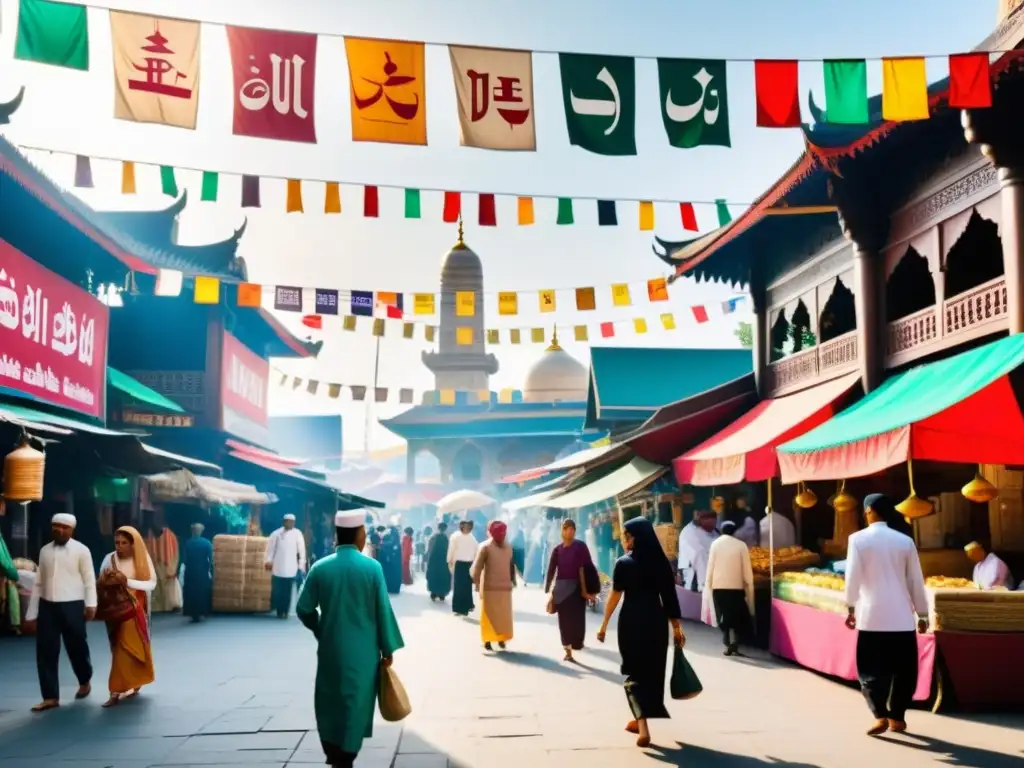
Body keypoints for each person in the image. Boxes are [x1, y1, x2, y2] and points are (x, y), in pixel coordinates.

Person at [297, 509, 405, 768]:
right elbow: (382, 610)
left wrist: (320, 629)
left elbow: (304, 608)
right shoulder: (372, 568)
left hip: (331, 649)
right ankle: (347, 754)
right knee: (356, 701)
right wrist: (388, 646)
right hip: (364, 652)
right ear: (359, 534)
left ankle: (332, 751)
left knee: (328, 698)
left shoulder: (320, 568)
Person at [844, 493, 929, 737]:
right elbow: (916, 581)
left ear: (869, 510)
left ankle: (879, 714)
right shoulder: (904, 541)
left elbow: (853, 578)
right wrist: (922, 614)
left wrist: (850, 607)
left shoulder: (857, 540)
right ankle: (897, 717)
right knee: (903, 672)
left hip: (871, 617)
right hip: (902, 618)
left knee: (871, 670)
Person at [597, 517, 683, 749]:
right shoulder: (661, 563)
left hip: (632, 622)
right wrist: (676, 627)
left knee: (633, 672)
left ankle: (643, 726)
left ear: (636, 538)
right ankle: (639, 719)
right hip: (656, 621)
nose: (624, 540)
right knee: (651, 671)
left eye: (627, 536)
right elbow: (669, 598)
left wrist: (604, 624)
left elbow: (615, 596)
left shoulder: (624, 563)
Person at [24, 513, 97, 713]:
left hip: (73, 604)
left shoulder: (82, 550)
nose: (59, 530)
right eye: (56, 527)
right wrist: (31, 614)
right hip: (48, 606)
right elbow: (38, 583)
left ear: (72, 530)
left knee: (77, 647)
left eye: (64, 527)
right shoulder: (44, 551)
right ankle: (50, 697)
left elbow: (89, 579)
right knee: (45, 650)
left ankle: (84, 679)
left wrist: (91, 604)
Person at [97, 526, 157, 707]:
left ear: (133, 544)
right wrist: (109, 580)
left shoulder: (143, 558)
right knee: (117, 649)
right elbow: (100, 582)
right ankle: (128, 682)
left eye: (124, 543)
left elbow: (151, 584)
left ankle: (115, 690)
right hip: (115, 610)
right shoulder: (109, 559)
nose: (120, 546)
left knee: (127, 647)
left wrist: (127, 581)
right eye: (117, 542)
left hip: (134, 610)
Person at [545, 519, 597, 661]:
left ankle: (577, 642)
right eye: (567, 529)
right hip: (561, 589)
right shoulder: (557, 549)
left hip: (577, 588)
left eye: (572, 529)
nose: (570, 531)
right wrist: (548, 586)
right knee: (564, 621)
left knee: (578, 619)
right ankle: (567, 650)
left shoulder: (580, 546)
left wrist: (591, 588)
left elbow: (588, 567)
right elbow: (551, 568)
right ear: (562, 530)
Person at [704, 520, 755, 657]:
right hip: (736, 587)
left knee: (723, 614)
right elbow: (746, 568)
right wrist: (749, 583)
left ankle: (727, 640)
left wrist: (708, 583)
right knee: (736, 616)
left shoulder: (715, 544)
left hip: (718, 586)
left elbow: (710, 565)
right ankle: (734, 643)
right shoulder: (741, 545)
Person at [472, 520, 517, 651]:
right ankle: (501, 639)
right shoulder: (508, 546)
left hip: (490, 587)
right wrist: (513, 580)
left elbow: (477, 567)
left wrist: (475, 581)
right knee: (503, 616)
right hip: (504, 586)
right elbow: (511, 565)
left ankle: (488, 640)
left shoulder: (485, 547)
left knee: (489, 616)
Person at [264, 513, 307, 618]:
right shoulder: (276, 534)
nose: (290, 524)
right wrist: (268, 561)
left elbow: (302, 551)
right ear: (284, 522)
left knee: (287, 592)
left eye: (292, 522)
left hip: (291, 568)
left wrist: (301, 565)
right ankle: (279, 610)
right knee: (277, 591)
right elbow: (270, 549)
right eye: (287, 521)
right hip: (277, 568)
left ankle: (285, 612)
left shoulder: (297, 534)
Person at [677, 509, 718, 592]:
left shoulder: (715, 531)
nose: (714, 525)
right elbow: (699, 555)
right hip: (695, 576)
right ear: (703, 520)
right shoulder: (689, 532)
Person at [146, 522, 182, 613]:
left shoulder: (171, 536)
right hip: (154, 564)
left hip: (166, 565)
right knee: (155, 586)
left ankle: (170, 606)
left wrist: (172, 568)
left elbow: (175, 553)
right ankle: (157, 607)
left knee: (168, 586)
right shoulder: (149, 535)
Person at [182, 523, 213, 623]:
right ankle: (202, 611)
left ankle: (191, 612)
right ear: (201, 531)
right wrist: (210, 569)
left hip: (190, 570)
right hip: (202, 570)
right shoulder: (207, 543)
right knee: (202, 591)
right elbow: (211, 558)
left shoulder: (188, 542)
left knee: (191, 591)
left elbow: (185, 558)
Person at [448, 519, 479, 616]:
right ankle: (461, 608)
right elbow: (452, 550)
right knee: (461, 587)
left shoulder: (470, 538)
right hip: (461, 564)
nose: (467, 529)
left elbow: (476, 551)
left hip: (466, 564)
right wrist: (450, 560)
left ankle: (463, 608)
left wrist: (449, 560)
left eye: (468, 527)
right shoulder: (457, 536)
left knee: (465, 587)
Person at [426, 523, 451, 601]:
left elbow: (429, 550)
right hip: (443, 562)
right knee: (442, 577)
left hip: (434, 561)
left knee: (434, 576)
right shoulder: (446, 538)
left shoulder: (433, 537)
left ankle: (433, 593)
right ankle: (441, 594)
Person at [379, 527, 403, 595]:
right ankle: (394, 588)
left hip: (390, 561)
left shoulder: (389, 539)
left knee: (389, 574)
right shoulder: (396, 539)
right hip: (394, 562)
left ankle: (390, 587)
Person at [523, 520, 545, 585]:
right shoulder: (538, 528)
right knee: (533, 564)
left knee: (537, 565)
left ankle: (529, 580)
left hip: (538, 548)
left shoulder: (540, 527)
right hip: (537, 548)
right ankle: (527, 580)